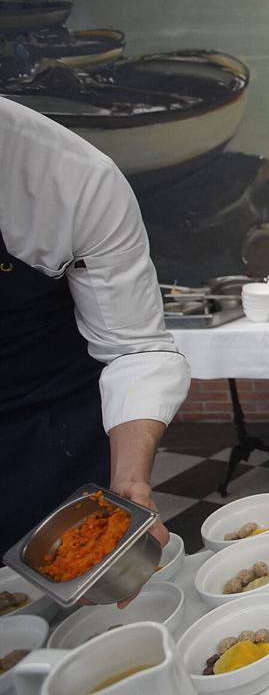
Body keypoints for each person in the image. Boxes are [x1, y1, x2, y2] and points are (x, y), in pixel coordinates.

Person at [0, 96, 190, 552]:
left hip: (47, 433)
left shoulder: (73, 177)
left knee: (58, 576)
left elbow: (134, 349)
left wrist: (130, 481)